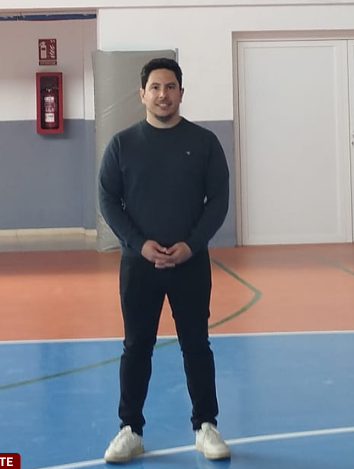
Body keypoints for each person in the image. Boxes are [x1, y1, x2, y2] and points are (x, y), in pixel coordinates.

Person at [97, 57, 231, 463]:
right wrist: (139, 244)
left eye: (170, 87)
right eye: (155, 87)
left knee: (196, 345)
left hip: (190, 264)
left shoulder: (204, 143)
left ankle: (205, 426)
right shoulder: (122, 144)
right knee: (136, 346)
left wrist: (192, 244)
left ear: (181, 93)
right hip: (139, 267)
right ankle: (130, 430)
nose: (163, 95)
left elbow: (218, 200)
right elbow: (108, 200)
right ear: (142, 94)